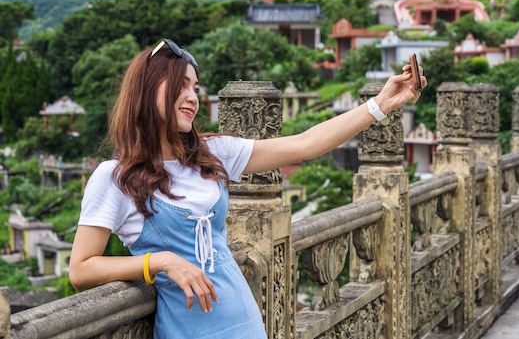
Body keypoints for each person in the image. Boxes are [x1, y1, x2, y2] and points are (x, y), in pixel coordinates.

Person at [68, 38, 427, 339]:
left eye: (195, 87)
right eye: (180, 86)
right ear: (147, 92)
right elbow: (81, 269)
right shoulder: (114, 177)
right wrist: (160, 261)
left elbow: (306, 144)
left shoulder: (211, 154)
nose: (192, 96)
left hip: (246, 323)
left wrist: (380, 105)